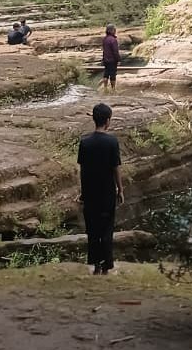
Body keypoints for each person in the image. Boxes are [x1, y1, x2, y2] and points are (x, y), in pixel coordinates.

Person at [77, 103, 124, 275]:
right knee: (106, 229)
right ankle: (106, 266)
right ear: (108, 120)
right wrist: (121, 189)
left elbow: (82, 170)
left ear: (94, 119)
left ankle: (96, 265)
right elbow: (115, 168)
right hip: (107, 193)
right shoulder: (112, 142)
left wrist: (82, 193)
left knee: (92, 229)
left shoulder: (85, 142)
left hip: (90, 193)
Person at [100, 24, 121, 93]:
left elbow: (104, 50)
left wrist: (103, 59)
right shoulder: (113, 40)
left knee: (106, 73)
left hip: (106, 59)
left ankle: (105, 88)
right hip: (112, 60)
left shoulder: (105, 39)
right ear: (111, 30)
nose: (115, 31)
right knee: (112, 74)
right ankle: (113, 89)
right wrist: (118, 59)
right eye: (114, 30)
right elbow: (115, 51)